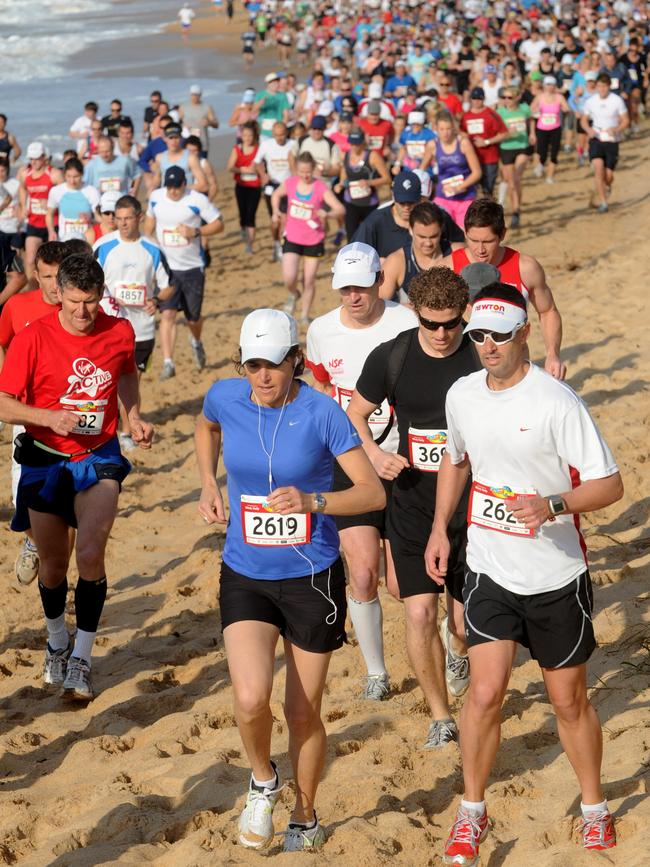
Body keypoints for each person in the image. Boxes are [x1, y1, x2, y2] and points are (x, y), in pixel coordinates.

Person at [425, 283, 623, 864]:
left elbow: (610, 484)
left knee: (568, 702)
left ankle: (593, 808)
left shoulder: (557, 402)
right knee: (485, 693)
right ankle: (471, 813)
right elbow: (455, 461)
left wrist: (554, 505)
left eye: (499, 336)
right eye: (478, 335)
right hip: (490, 567)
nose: (486, 346)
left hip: (556, 573)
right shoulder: (461, 394)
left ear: (524, 334)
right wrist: (441, 528)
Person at [195, 308, 384, 851]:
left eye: (273, 365)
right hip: (246, 573)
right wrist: (208, 481)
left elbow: (372, 494)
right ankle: (262, 781)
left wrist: (314, 501)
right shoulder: (226, 397)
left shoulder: (324, 414)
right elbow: (204, 424)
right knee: (252, 698)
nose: (262, 377)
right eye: (252, 365)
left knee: (302, 712)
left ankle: (305, 811)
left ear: (296, 361)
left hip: (312, 578)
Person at [0, 254, 155, 701]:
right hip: (45, 458)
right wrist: (47, 415)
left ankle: (82, 658)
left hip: (98, 456)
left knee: (89, 551)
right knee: (52, 565)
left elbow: (126, 374)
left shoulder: (119, 331)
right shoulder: (34, 338)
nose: (83, 312)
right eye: (73, 302)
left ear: (100, 296)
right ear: (59, 295)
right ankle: (56, 642)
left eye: (90, 302)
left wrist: (134, 417)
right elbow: (5, 401)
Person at [348, 267, 481, 748]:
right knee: (421, 612)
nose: (443, 334)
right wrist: (377, 454)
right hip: (410, 503)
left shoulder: (478, 354)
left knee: (463, 625)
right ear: (416, 314)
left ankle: (459, 652)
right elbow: (355, 415)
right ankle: (441, 716)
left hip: (470, 507)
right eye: (432, 323)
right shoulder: (394, 355)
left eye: (452, 323)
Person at [306, 244, 417, 699]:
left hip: (402, 459)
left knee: (400, 584)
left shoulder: (406, 322)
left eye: (360, 287)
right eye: (343, 289)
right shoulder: (320, 331)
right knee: (363, 572)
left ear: (379, 282)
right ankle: (377, 673)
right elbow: (320, 389)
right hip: (348, 463)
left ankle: (454, 649)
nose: (352, 297)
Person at [0, 241, 69, 587]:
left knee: (68, 504)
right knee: (22, 498)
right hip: (27, 417)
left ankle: (59, 571)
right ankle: (32, 539)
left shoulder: (77, 311)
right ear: (36, 277)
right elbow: (4, 341)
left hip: (71, 419)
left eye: (61, 276)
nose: (56, 285)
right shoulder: (17, 306)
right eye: (48, 277)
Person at [444, 199, 566, 379]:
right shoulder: (448, 269)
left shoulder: (525, 267)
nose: (480, 249)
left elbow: (548, 311)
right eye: (473, 240)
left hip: (513, 370)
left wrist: (553, 354)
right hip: (464, 368)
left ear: (502, 235)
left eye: (488, 241)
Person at [94, 195, 173, 449]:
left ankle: (127, 433)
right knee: (107, 381)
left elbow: (169, 285)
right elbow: (87, 282)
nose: (123, 223)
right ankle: (108, 426)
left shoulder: (152, 249)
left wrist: (157, 301)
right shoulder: (103, 246)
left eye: (128, 218)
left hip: (141, 328)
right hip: (108, 326)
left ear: (139, 217)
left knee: (132, 379)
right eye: (119, 218)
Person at [144, 166, 224, 380]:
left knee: (193, 318)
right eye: (169, 187)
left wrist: (195, 231)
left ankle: (196, 341)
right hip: (167, 268)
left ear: (183, 184)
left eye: (176, 187)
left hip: (192, 267)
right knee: (168, 314)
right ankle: (168, 362)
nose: (172, 192)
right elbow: (150, 220)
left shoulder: (196, 200)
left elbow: (219, 224)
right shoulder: (156, 197)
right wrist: (148, 239)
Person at [271, 152, 344, 327]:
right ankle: (294, 293)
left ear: (313, 170)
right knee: (289, 277)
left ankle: (304, 315)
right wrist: (275, 211)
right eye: (302, 171)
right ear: (296, 169)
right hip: (292, 236)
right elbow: (275, 195)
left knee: (309, 279)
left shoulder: (320, 188)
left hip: (314, 239)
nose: (305, 175)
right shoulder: (290, 183)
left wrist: (328, 213)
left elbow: (340, 209)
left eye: (308, 172)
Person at [352, 171, 464, 263]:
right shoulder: (375, 222)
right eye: (402, 202)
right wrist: (376, 264)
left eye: (411, 202)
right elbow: (354, 256)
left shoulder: (437, 216)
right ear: (393, 196)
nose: (406, 207)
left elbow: (462, 244)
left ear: (420, 197)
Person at [381, 202, 453, 302]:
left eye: (434, 236)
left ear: (441, 230)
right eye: (422, 237)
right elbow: (378, 304)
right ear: (410, 230)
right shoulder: (396, 262)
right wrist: (402, 309)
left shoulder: (456, 253)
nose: (428, 243)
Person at [421, 110, 481, 229]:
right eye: (442, 129)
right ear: (436, 129)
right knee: (442, 232)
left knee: (463, 233)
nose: (445, 133)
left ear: (453, 127)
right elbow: (421, 170)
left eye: (448, 129)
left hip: (465, 197)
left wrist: (459, 187)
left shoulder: (463, 143)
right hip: (442, 196)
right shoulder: (433, 145)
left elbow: (477, 172)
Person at [581, 72, 629, 214]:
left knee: (608, 175)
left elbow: (626, 120)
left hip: (611, 140)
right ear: (596, 86)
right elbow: (583, 120)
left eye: (604, 86)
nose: (602, 89)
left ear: (609, 86)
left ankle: (606, 186)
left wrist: (617, 129)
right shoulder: (591, 101)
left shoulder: (617, 100)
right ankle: (603, 202)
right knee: (598, 168)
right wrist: (589, 130)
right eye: (599, 86)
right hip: (596, 138)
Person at [18, 143, 63, 279]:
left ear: (44, 157)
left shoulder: (54, 174)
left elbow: (66, 196)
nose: (33, 162)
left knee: (55, 262)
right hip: (34, 223)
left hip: (53, 223)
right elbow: (22, 188)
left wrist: (50, 203)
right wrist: (23, 206)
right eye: (31, 159)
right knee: (30, 260)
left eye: (36, 158)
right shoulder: (24, 173)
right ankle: (33, 291)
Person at [336, 128, 390, 241]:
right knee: (351, 237)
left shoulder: (372, 156)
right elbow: (344, 177)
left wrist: (369, 182)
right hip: (350, 202)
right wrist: (340, 185)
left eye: (357, 144)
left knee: (371, 237)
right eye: (352, 144)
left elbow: (387, 179)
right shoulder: (345, 155)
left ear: (362, 143)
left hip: (369, 203)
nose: (354, 147)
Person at [254, 121, 297, 261]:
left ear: (287, 133)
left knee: (287, 219)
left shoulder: (293, 144)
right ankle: (277, 243)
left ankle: (286, 246)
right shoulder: (266, 145)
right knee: (275, 219)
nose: (280, 138)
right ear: (273, 134)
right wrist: (263, 175)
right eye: (277, 135)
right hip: (272, 185)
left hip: (289, 186)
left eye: (283, 134)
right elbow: (257, 161)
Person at [460, 87, 509, 198]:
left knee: (488, 189)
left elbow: (504, 133)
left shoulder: (491, 114)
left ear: (484, 99)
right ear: (470, 99)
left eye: (479, 98)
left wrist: (486, 142)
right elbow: (461, 132)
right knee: (473, 190)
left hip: (489, 158)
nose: (477, 101)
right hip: (471, 158)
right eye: (474, 98)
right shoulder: (465, 116)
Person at [496, 88, 534, 228]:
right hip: (506, 148)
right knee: (512, 182)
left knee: (516, 178)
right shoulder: (500, 112)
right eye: (504, 97)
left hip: (522, 147)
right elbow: (496, 131)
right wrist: (506, 133)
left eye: (510, 98)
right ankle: (516, 208)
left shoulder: (524, 108)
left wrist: (532, 134)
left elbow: (530, 120)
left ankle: (516, 210)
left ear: (518, 97)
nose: (506, 100)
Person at [226, 121, 262, 255]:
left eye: (250, 136)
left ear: (254, 136)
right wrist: (243, 170)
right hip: (241, 186)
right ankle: (242, 228)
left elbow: (264, 167)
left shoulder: (259, 149)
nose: (247, 138)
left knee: (251, 216)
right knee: (242, 214)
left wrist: (258, 171)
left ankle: (250, 245)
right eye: (245, 135)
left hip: (255, 187)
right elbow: (229, 167)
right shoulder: (237, 149)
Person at [46, 157, 100, 242]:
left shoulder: (91, 191)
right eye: (69, 176)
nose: (72, 181)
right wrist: (51, 231)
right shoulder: (56, 191)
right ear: (64, 174)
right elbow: (49, 214)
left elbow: (99, 219)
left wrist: (90, 219)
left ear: (82, 174)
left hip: (86, 240)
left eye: (76, 176)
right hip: (64, 239)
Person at [531, 77, 570, 184]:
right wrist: (536, 111)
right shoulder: (540, 97)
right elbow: (531, 110)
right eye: (548, 84)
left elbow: (567, 108)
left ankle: (550, 177)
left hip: (555, 128)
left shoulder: (559, 97)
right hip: (542, 128)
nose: (550, 87)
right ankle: (540, 165)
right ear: (544, 85)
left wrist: (565, 109)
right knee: (541, 152)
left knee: (554, 152)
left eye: (552, 84)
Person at [152, 123, 207, 193]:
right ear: (165, 139)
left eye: (176, 137)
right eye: (171, 138)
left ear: (181, 138)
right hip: (167, 200)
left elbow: (204, 185)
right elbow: (156, 181)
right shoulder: (159, 158)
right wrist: (152, 191)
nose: (174, 141)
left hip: (186, 198)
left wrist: (179, 188)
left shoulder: (191, 158)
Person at [179, 85, 219, 156]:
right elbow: (177, 123)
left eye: (197, 95)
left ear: (200, 95)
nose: (194, 97)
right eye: (193, 95)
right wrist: (183, 126)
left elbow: (216, 124)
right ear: (190, 94)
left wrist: (209, 123)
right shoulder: (183, 107)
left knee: (202, 165)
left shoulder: (207, 107)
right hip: (187, 144)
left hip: (202, 144)